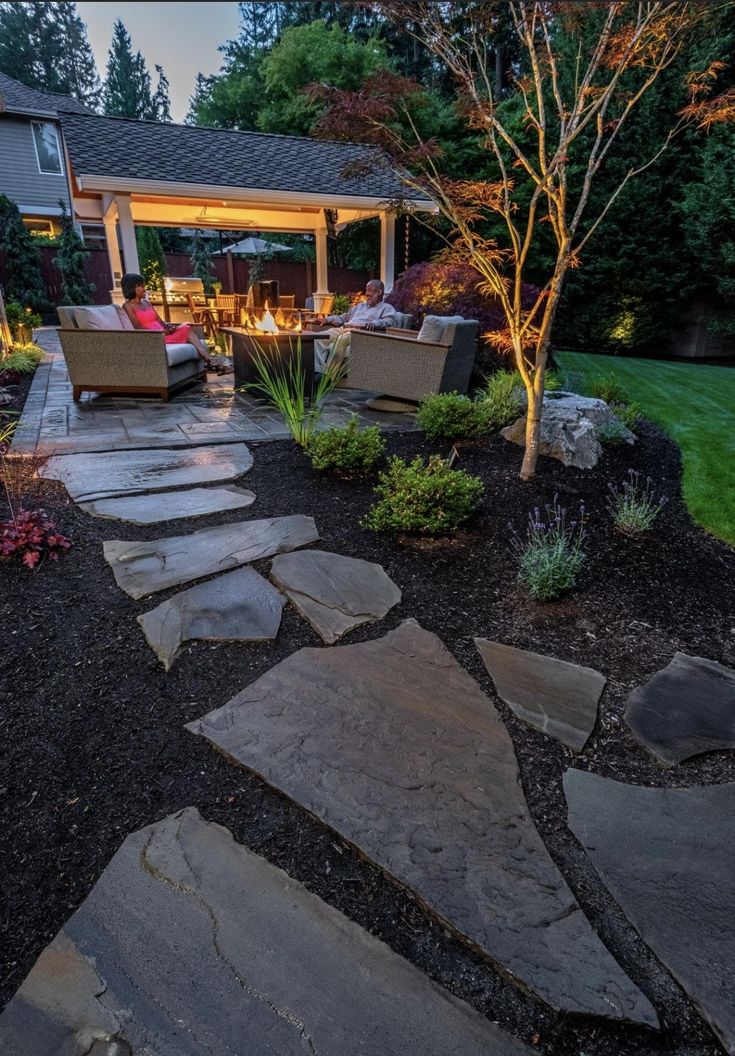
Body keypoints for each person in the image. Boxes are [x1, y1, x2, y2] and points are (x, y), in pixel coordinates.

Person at [121, 273, 215, 370]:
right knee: (187, 331)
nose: (144, 288)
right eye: (140, 286)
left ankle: (209, 360)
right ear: (131, 288)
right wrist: (161, 332)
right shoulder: (127, 306)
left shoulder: (147, 303)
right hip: (155, 338)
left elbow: (160, 321)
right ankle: (209, 361)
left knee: (187, 327)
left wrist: (169, 328)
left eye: (143, 285)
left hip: (164, 333)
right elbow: (138, 328)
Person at [314, 279, 398, 374]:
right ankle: (318, 372)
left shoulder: (386, 308)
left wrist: (375, 323)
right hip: (344, 328)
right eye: (366, 290)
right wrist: (327, 319)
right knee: (318, 337)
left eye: (370, 290)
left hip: (361, 333)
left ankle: (328, 377)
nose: (367, 294)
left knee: (341, 340)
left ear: (379, 292)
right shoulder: (360, 306)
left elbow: (391, 321)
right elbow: (344, 317)